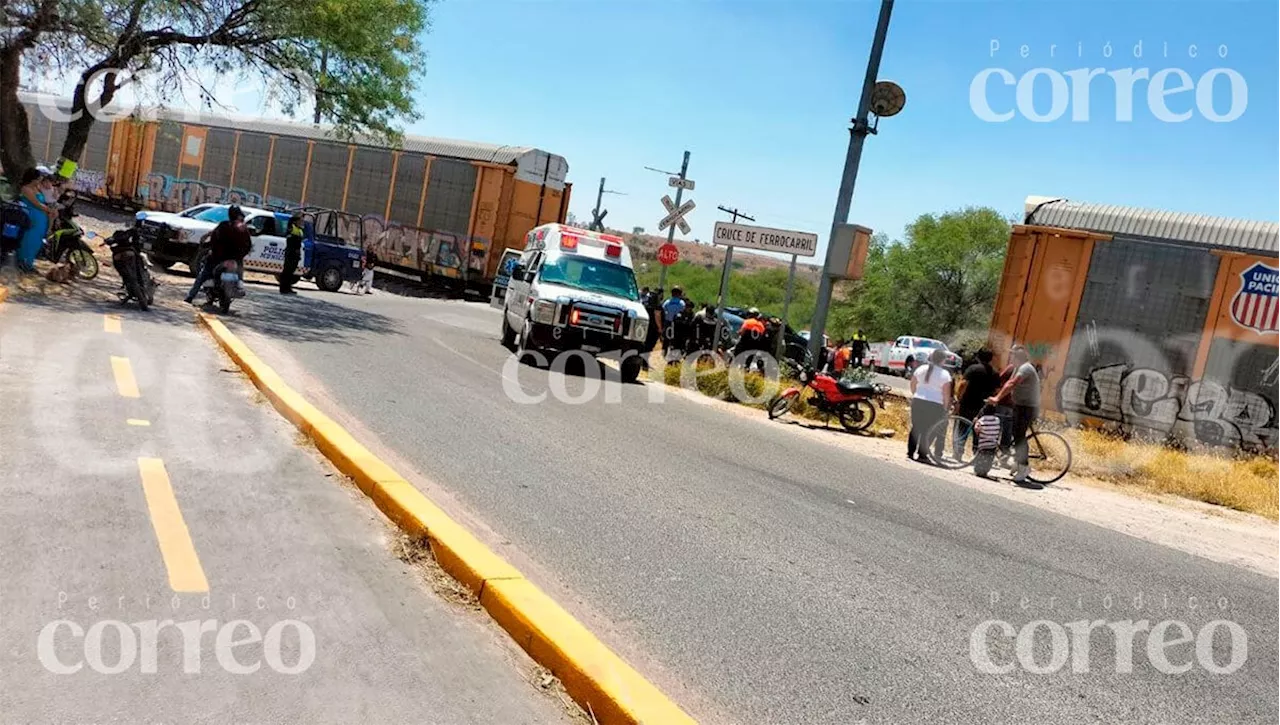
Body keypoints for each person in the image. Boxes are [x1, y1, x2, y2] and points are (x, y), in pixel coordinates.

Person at [986, 345, 1042, 485]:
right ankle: (1018, 462)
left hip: (1027, 407)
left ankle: (1024, 467)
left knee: (1019, 436)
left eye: (1013, 355)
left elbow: (1012, 383)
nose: (1010, 357)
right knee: (1014, 433)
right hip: (1020, 405)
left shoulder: (1025, 368)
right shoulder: (1018, 367)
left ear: (1018, 357)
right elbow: (1007, 383)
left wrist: (997, 398)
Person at [186, 205, 252, 304]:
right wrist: (240, 255)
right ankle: (239, 284)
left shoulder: (224, 225)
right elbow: (248, 245)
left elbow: (214, 240)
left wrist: (209, 247)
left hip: (218, 258)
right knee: (239, 269)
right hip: (234, 259)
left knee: (202, 275)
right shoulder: (242, 228)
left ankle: (190, 296)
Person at [908, 348, 953, 464]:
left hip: (918, 400)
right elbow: (946, 394)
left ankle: (910, 452)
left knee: (916, 427)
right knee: (928, 430)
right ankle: (922, 454)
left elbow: (913, 384)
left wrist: (916, 394)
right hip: (935, 404)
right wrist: (945, 407)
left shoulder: (921, 369)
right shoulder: (945, 374)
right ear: (943, 360)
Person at [952, 348, 999, 456]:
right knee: (979, 431)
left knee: (962, 427)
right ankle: (977, 453)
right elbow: (997, 391)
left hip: (968, 403)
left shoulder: (973, 369)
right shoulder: (995, 373)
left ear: (978, 357)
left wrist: (958, 399)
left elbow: (963, 384)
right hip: (984, 406)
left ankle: (958, 452)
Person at [15, 169, 54, 274]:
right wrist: (49, 210)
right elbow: (36, 203)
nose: (40, 180)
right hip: (31, 216)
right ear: (33, 179)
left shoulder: (37, 188)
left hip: (41, 218)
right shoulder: (26, 189)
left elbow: (45, 200)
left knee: (36, 241)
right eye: (38, 178)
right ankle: (23, 262)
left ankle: (29, 263)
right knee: (28, 240)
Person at [279, 212, 305, 294]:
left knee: (291, 272)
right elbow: (290, 238)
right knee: (287, 271)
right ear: (295, 221)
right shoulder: (291, 227)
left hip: (296, 253)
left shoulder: (300, 229)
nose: (301, 222)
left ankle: (288, 288)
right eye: (300, 220)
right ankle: (283, 288)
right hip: (291, 252)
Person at [662, 287, 687, 359]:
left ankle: (664, 353)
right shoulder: (682, 303)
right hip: (678, 324)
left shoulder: (667, 302)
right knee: (676, 339)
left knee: (666, 339)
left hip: (668, 322)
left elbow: (663, 312)